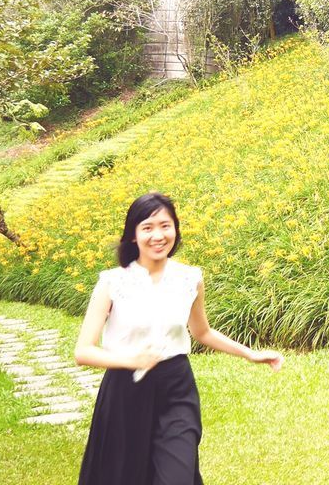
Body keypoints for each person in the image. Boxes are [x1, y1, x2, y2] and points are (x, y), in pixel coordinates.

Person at [74, 192, 283, 485]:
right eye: (147, 227)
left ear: (175, 229)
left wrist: (250, 354)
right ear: (133, 235)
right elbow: (83, 351)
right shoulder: (112, 282)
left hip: (176, 387)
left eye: (165, 225)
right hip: (125, 388)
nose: (158, 235)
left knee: (177, 475)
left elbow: (202, 332)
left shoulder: (190, 278)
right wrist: (130, 360)